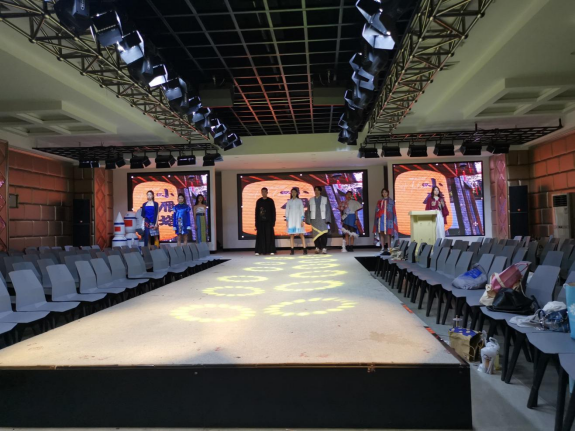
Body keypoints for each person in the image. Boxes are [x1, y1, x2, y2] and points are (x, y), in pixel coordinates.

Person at [306, 186, 332, 255]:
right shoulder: (311, 200)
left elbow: (328, 210)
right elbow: (308, 211)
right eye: (315, 190)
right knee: (315, 234)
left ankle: (324, 248)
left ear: (320, 191)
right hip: (314, 220)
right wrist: (308, 220)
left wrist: (327, 219)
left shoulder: (324, 199)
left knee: (324, 234)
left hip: (323, 219)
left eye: (318, 190)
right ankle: (317, 247)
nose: (316, 192)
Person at [374, 188, 399, 253]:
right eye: (383, 192)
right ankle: (382, 247)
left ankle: (389, 247)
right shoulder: (379, 201)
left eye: (385, 192)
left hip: (388, 219)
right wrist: (378, 213)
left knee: (388, 233)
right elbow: (377, 210)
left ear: (388, 193)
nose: (384, 193)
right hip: (381, 218)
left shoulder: (391, 201)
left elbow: (393, 211)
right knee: (381, 232)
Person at [255, 188, 276, 256]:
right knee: (260, 236)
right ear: (261, 192)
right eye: (262, 192)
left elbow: (273, 212)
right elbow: (256, 212)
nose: (263, 193)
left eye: (265, 192)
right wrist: (256, 222)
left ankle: (271, 250)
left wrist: (273, 221)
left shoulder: (270, 201)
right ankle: (259, 250)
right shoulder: (259, 201)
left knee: (269, 236)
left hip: (269, 222)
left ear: (267, 192)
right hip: (260, 221)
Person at [285, 188, 307, 255]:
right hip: (291, 219)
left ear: (297, 193)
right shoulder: (289, 201)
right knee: (291, 235)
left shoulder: (299, 201)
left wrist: (302, 220)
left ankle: (304, 249)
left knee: (301, 234)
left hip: (298, 219)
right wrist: (287, 221)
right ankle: (292, 250)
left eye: (295, 192)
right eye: (292, 192)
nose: (293, 193)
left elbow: (302, 210)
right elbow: (287, 211)